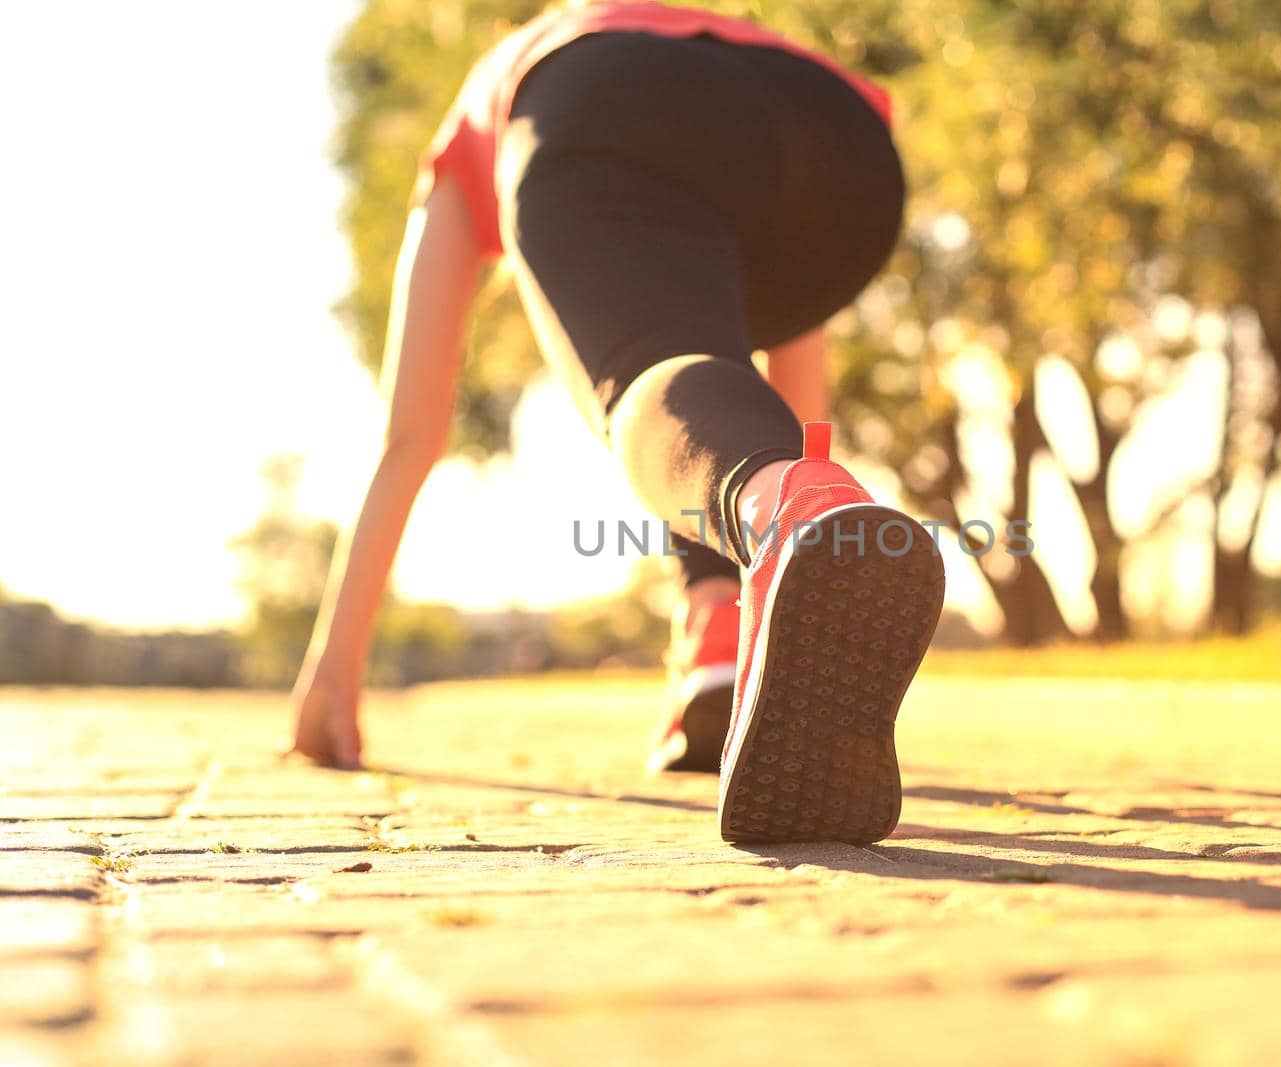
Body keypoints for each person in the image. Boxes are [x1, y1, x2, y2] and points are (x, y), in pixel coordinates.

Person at [290, 0, 945, 844]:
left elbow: (408, 435)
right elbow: (794, 399)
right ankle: (721, 639)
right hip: (839, 142)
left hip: (600, 101)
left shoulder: (492, 108)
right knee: (727, 396)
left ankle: (785, 515)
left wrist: (331, 675)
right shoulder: (707, 34)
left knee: (644, 377)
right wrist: (791, 552)